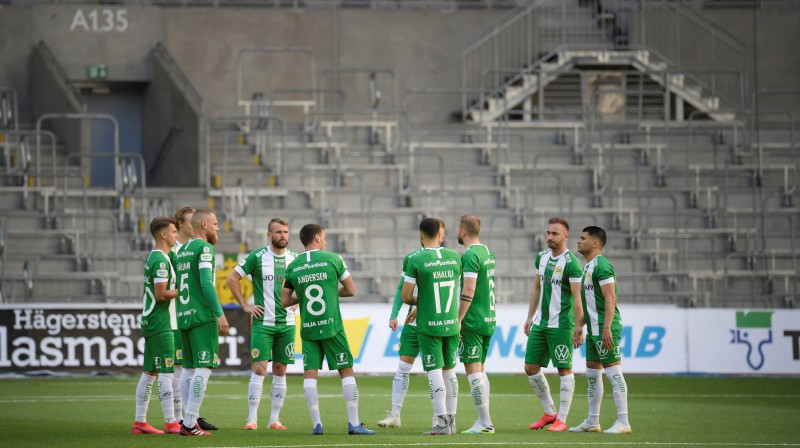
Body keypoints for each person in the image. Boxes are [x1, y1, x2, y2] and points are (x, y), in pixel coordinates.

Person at [281, 224, 375, 436]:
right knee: (346, 371)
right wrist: (330, 291)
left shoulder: (293, 266)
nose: (325, 241)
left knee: (309, 375)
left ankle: (317, 425)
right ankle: (354, 424)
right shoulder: (333, 259)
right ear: (316, 238)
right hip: (332, 326)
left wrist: (302, 296)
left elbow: (284, 300)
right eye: (323, 237)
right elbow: (351, 290)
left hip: (308, 328)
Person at [227, 218, 298, 430]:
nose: (283, 235)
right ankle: (252, 419)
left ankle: (275, 419)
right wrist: (244, 305)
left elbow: (303, 286)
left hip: (287, 323)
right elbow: (232, 279)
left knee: (280, 369)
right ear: (269, 235)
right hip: (263, 323)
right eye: (278, 232)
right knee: (259, 369)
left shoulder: (295, 259)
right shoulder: (257, 257)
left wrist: (298, 303)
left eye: (285, 232)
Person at [376, 218, 446, 428]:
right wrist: (394, 314)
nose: (442, 236)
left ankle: (440, 416)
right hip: (412, 323)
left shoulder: (448, 259)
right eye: (440, 232)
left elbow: (443, 294)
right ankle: (395, 414)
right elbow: (401, 289)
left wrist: (418, 307)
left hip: (433, 322)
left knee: (437, 370)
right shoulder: (413, 259)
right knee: (402, 367)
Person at [523, 217, 585, 432]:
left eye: (555, 233)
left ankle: (563, 419)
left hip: (562, 325)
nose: (550, 237)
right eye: (548, 232)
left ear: (566, 236)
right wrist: (530, 316)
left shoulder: (572, 264)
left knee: (564, 369)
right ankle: (550, 412)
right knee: (530, 367)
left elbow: (578, 297)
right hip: (540, 323)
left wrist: (579, 326)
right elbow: (537, 288)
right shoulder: (541, 258)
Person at [401, 218, 462, 435]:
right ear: (440, 235)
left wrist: (422, 301)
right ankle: (452, 421)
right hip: (451, 323)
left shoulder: (416, 259)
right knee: (450, 372)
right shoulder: (455, 257)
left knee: (434, 371)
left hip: (429, 325)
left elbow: (406, 296)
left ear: (420, 235)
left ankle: (442, 423)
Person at [570, 226, 632, 434]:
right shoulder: (588, 267)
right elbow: (590, 302)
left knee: (613, 373)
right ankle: (592, 421)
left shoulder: (602, 266)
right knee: (592, 374)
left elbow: (610, 298)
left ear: (595, 243)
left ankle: (623, 422)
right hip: (594, 329)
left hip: (606, 328)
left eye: (583, 238)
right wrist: (580, 324)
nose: (579, 241)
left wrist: (606, 328)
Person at [174, 209, 229, 436]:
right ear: (204, 225)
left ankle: (190, 419)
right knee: (204, 367)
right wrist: (219, 313)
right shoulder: (205, 248)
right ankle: (189, 423)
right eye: (215, 224)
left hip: (183, 315)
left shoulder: (182, 250)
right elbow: (206, 283)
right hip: (202, 316)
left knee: (188, 369)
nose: (218, 228)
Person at [132, 217, 180, 435]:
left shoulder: (158, 257)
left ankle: (140, 421)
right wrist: (185, 290)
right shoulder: (160, 260)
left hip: (152, 320)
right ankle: (171, 422)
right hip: (161, 323)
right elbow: (161, 295)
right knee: (166, 372)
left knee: (150, 372)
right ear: (163, 235)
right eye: (173, 231)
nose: (176, 235)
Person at [456, 214, 496, 435]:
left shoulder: (470, 255)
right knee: (480, 370)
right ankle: (485, 420)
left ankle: (485, 423)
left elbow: (468, 289)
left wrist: (459, 319)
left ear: (463, 231)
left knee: (473, 372)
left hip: (473, 319)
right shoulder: (486, 251)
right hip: (489, 317)